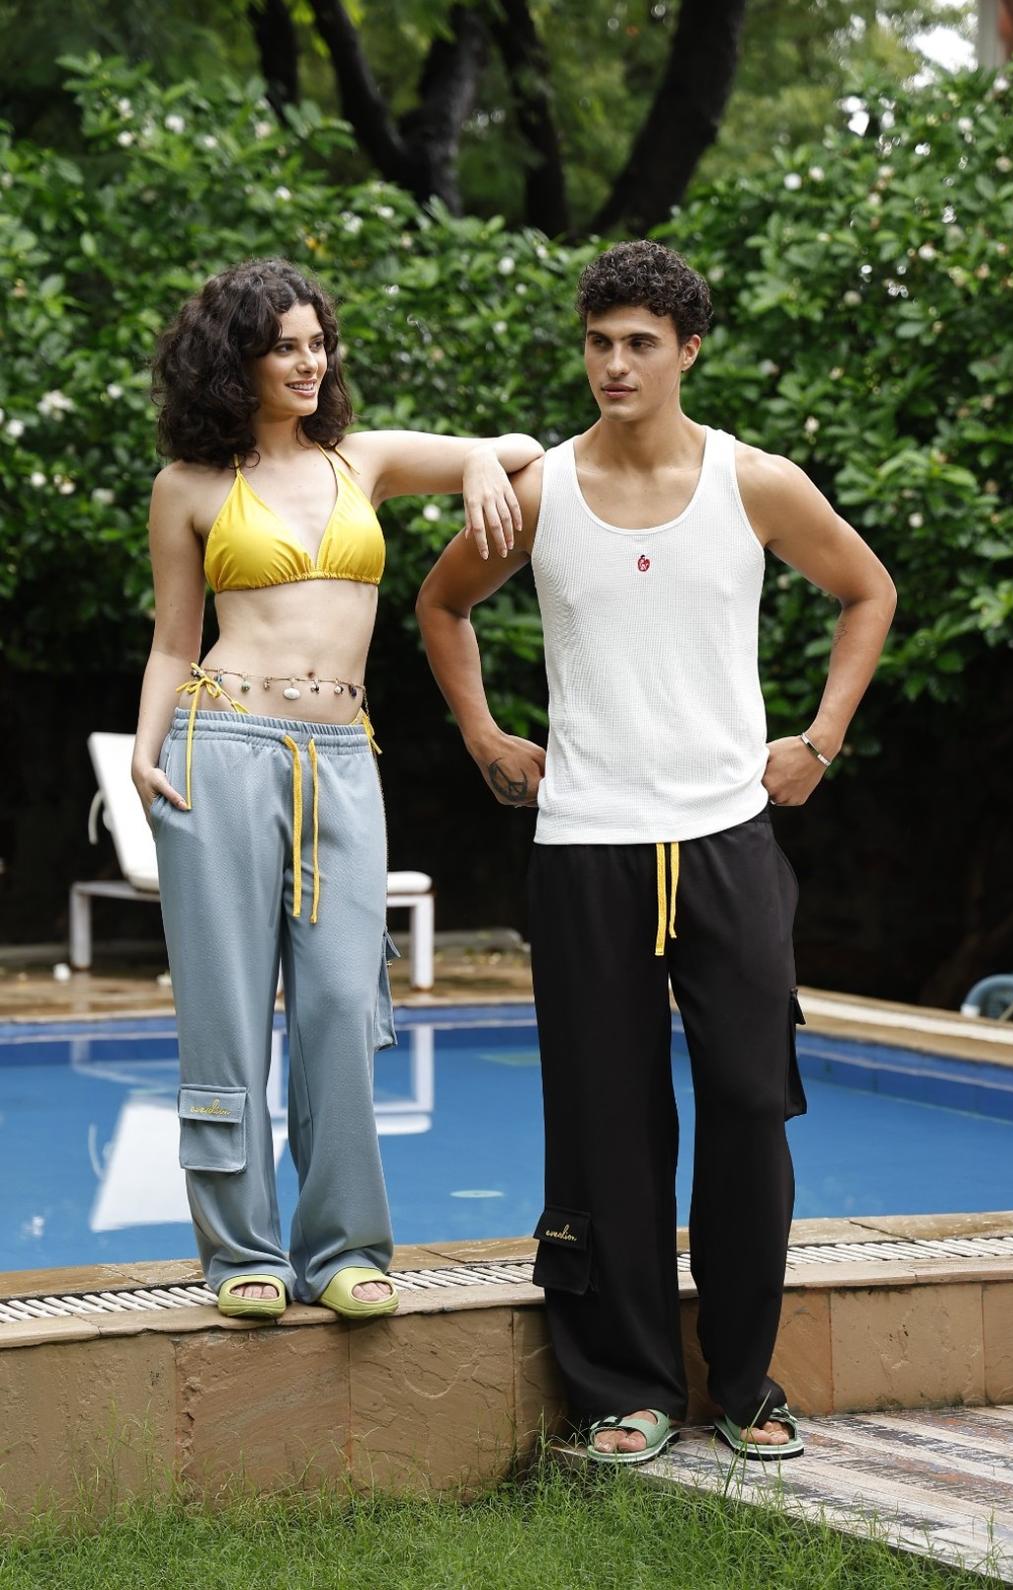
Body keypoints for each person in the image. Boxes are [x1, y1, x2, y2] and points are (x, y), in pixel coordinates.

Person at [416, 240, 896, 1462]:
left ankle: (743, 1384)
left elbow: (867, 591)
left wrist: (820, 740)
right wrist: (482, 734)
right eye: (597, 341)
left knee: (748, 1106)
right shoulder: (537, 492)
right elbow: (440, 604)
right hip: (585, 842)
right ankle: (623, 1388)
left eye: (639, 342)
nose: (614, 363)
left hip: (727, 836)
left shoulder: (757, 484)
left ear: (687, 350)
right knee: (605, 1121)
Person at [132, 257, 541, 1323]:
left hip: (341, 758)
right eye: (284, 346)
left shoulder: (361, 461)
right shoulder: (187, 486)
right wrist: (144, 750)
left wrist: (481, 473)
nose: (308, 362)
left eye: (317, 343)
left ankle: (346, 1251)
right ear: (238, 361)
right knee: (223, 1012)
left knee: (341, 1007)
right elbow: (175, 638)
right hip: (219, 743)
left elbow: (520, 451)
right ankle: (240, 1258)